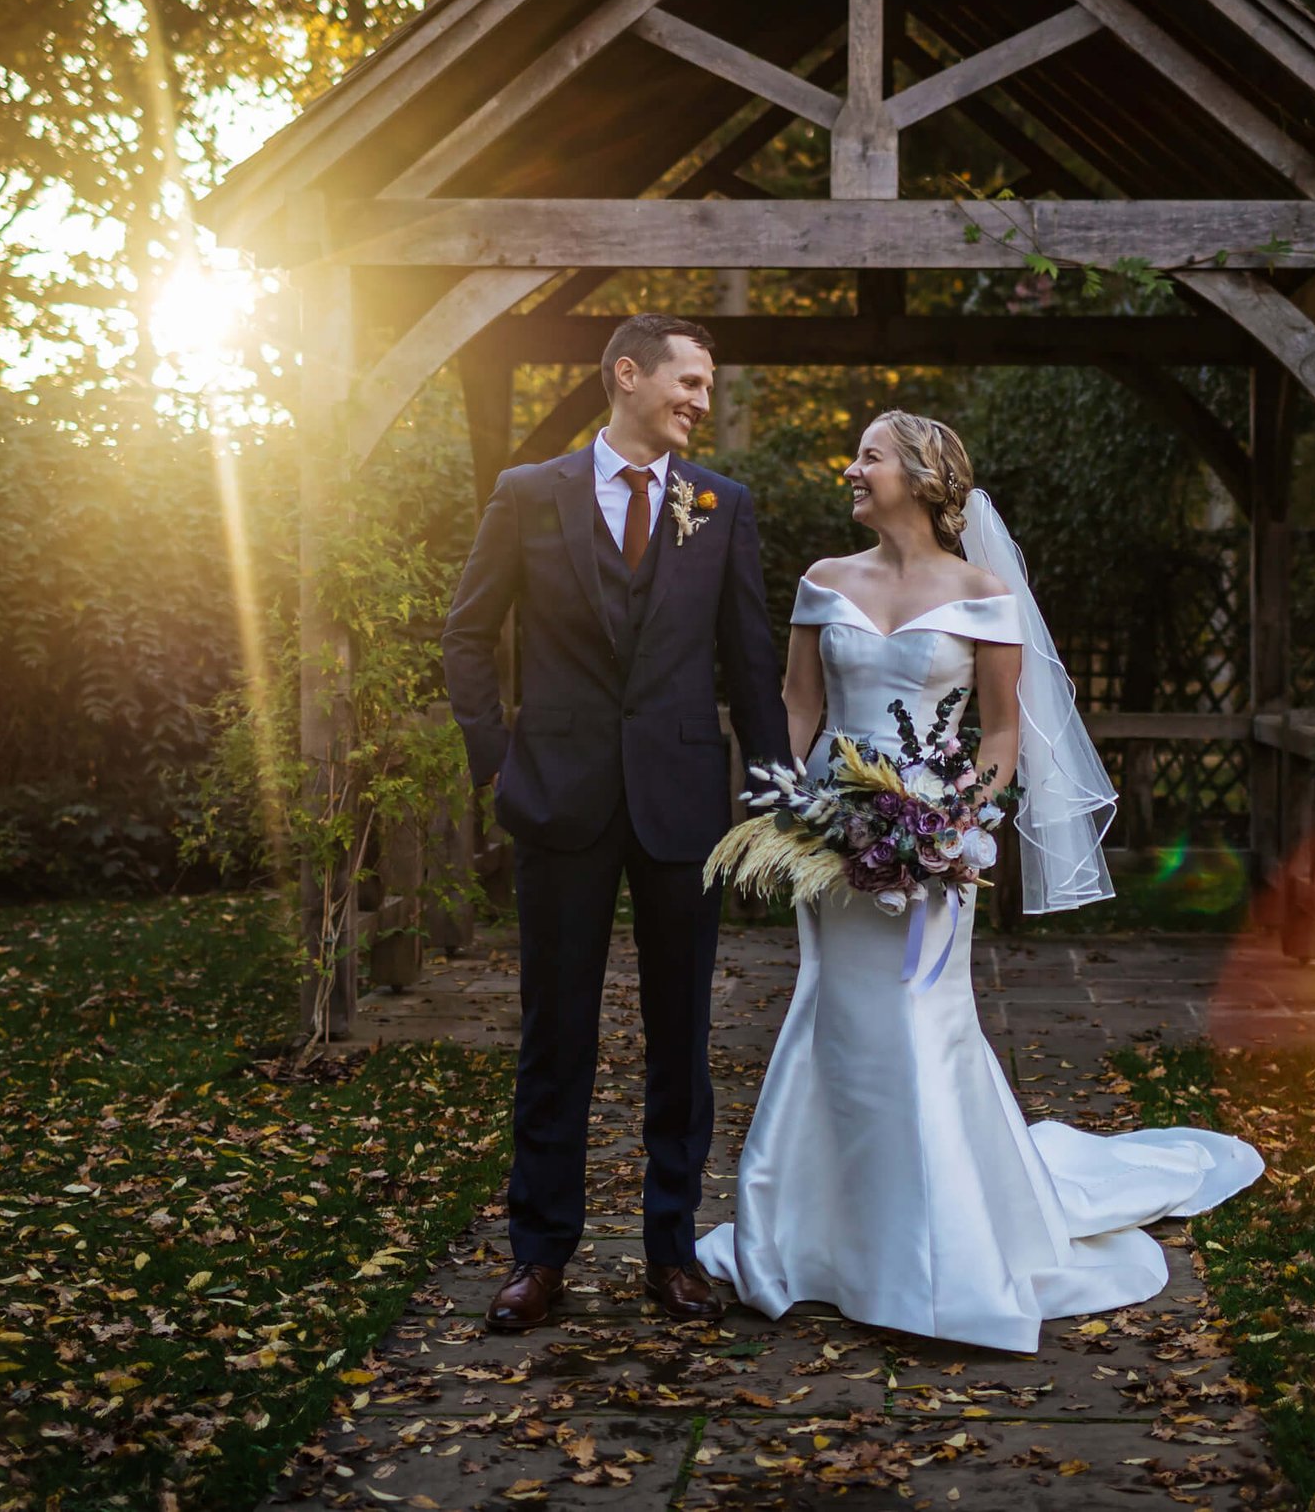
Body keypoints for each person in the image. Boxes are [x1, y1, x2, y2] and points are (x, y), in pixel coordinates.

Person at [694, 410, 1263, 1352]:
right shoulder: (821, 582)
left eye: (868, 455)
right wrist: (786, 811)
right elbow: (798, 705)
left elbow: (1000, 735)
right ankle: (812, 1234)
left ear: (919, 475)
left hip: (934, 851)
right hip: (833, 846)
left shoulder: (983, 592)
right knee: (830, 1018)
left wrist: (950, 821)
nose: (852, 467)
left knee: (922, 1028)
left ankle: (938, 1248)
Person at [441, 312, 789, 1332]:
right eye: (687, 379)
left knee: (682, 1035)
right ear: (626, 375)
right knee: (556, 1032)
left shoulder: (723, 505)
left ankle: (671, 1251)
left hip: (681, 802)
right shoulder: (527, 494)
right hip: (560, 795)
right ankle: (538, 1254)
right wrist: (495, 758)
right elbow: (466, 636)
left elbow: (750, 662)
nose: (700, 399)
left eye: (706, 384)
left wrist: (768, 796)